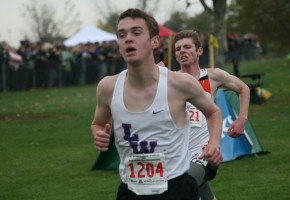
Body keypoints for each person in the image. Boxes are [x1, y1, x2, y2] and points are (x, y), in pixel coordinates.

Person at [91, 9, 223, 200]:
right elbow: (97, 123)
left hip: (176, 188)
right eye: (122, 35)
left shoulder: (179, 84)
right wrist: (99, 135)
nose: (128, 38)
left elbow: (213, 112)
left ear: (155, 41)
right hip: (131, 189)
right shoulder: (107, 87)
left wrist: (214, 144)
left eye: (136, 33)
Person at [173, 30, 250, 200]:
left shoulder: (212, 76)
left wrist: (242, 119)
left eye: (187, 47)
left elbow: (243, 88)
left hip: (204, 153)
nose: (182, 51)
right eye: (178, 49)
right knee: (197, 190)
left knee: (182, 188)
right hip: (176, 154)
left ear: (199, 51)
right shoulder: (170, 80)